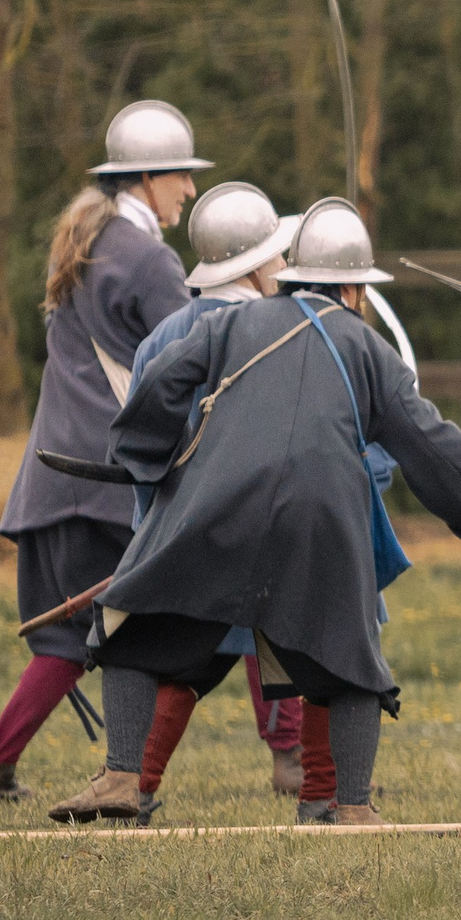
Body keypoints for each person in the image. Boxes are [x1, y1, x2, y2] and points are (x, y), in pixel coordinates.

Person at [48, 198, 461, 825]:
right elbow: (437, 449)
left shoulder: (230, 324)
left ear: (291, 275)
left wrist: (150, 458)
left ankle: (122, 778)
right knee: (350, 658)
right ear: (352, 288)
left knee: (133, 622)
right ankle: (353, 807)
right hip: (321, 518)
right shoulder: (370, 350)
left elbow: (161, 382)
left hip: (218, 504)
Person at [0, 101, 204, 805]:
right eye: (181, 176)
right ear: (148, 178)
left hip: (53, 476)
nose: (190, 190)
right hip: (108, 480)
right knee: (159, 628)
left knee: (69, 640)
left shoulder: (90, 241)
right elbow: (193, 359)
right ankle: (132, 776)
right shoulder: (148, 258)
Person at [114, 181, 310, 823]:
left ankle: (138, 786)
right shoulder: (285, 333)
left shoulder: (163, 334)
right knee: (321, 648)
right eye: (277, 255)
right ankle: (327, 790)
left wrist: (153, 528)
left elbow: (139, 450)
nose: (286, 265)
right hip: (258, 535)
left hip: (188, 538)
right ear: (252, 264)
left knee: (189, 665)